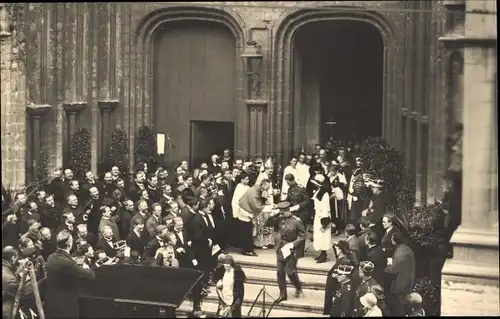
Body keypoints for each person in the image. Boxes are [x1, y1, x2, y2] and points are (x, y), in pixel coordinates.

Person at [45, 230, 95, 318]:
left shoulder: (51, 257)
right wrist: (86, 267)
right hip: (66, 303)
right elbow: (90, 275)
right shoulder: (68, 263)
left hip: (52, 301)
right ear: (69, 244)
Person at [265, 201, 306, 303]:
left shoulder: (296, 221)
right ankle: (283, 294)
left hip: (291, 249)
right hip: (281, 248)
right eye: (280, 213)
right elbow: (268, 224)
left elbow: (303, 235)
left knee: (290, 272)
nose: (281, 215)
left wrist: (294, 244)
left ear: (288, 211)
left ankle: (298, 287)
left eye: (283, 213)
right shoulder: (279, 218)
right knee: (280, 273)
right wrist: (273, 215)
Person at [323, 240, 359, 315]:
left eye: (337, 248)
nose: (336, 250)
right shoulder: (344, 256)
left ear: (341, 249)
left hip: (337, 283)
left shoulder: (344, 260)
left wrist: (336, 275)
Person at [385, 232, 416, 317]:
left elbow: (393, 270)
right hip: (409, 278)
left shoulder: (399, 253)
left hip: (400, 282)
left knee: (399, 305)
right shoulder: (408, 249)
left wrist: (388, 265)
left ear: (394, 242)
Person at [2, 246, 34, 319]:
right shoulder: (6, 276)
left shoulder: (5, 266)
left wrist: (18, 270)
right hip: (7, 304)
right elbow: (25, 292)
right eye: (16, 258)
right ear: (13, 258)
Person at [310, 174, 332, 263]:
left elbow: (326, 208)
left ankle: (324, 254)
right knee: (319, 236)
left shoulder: (325, 194)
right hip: (318, 215)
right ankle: (322, 253)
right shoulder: (319, 191)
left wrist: (324, 222)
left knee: (324, 236)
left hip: (323, 217)